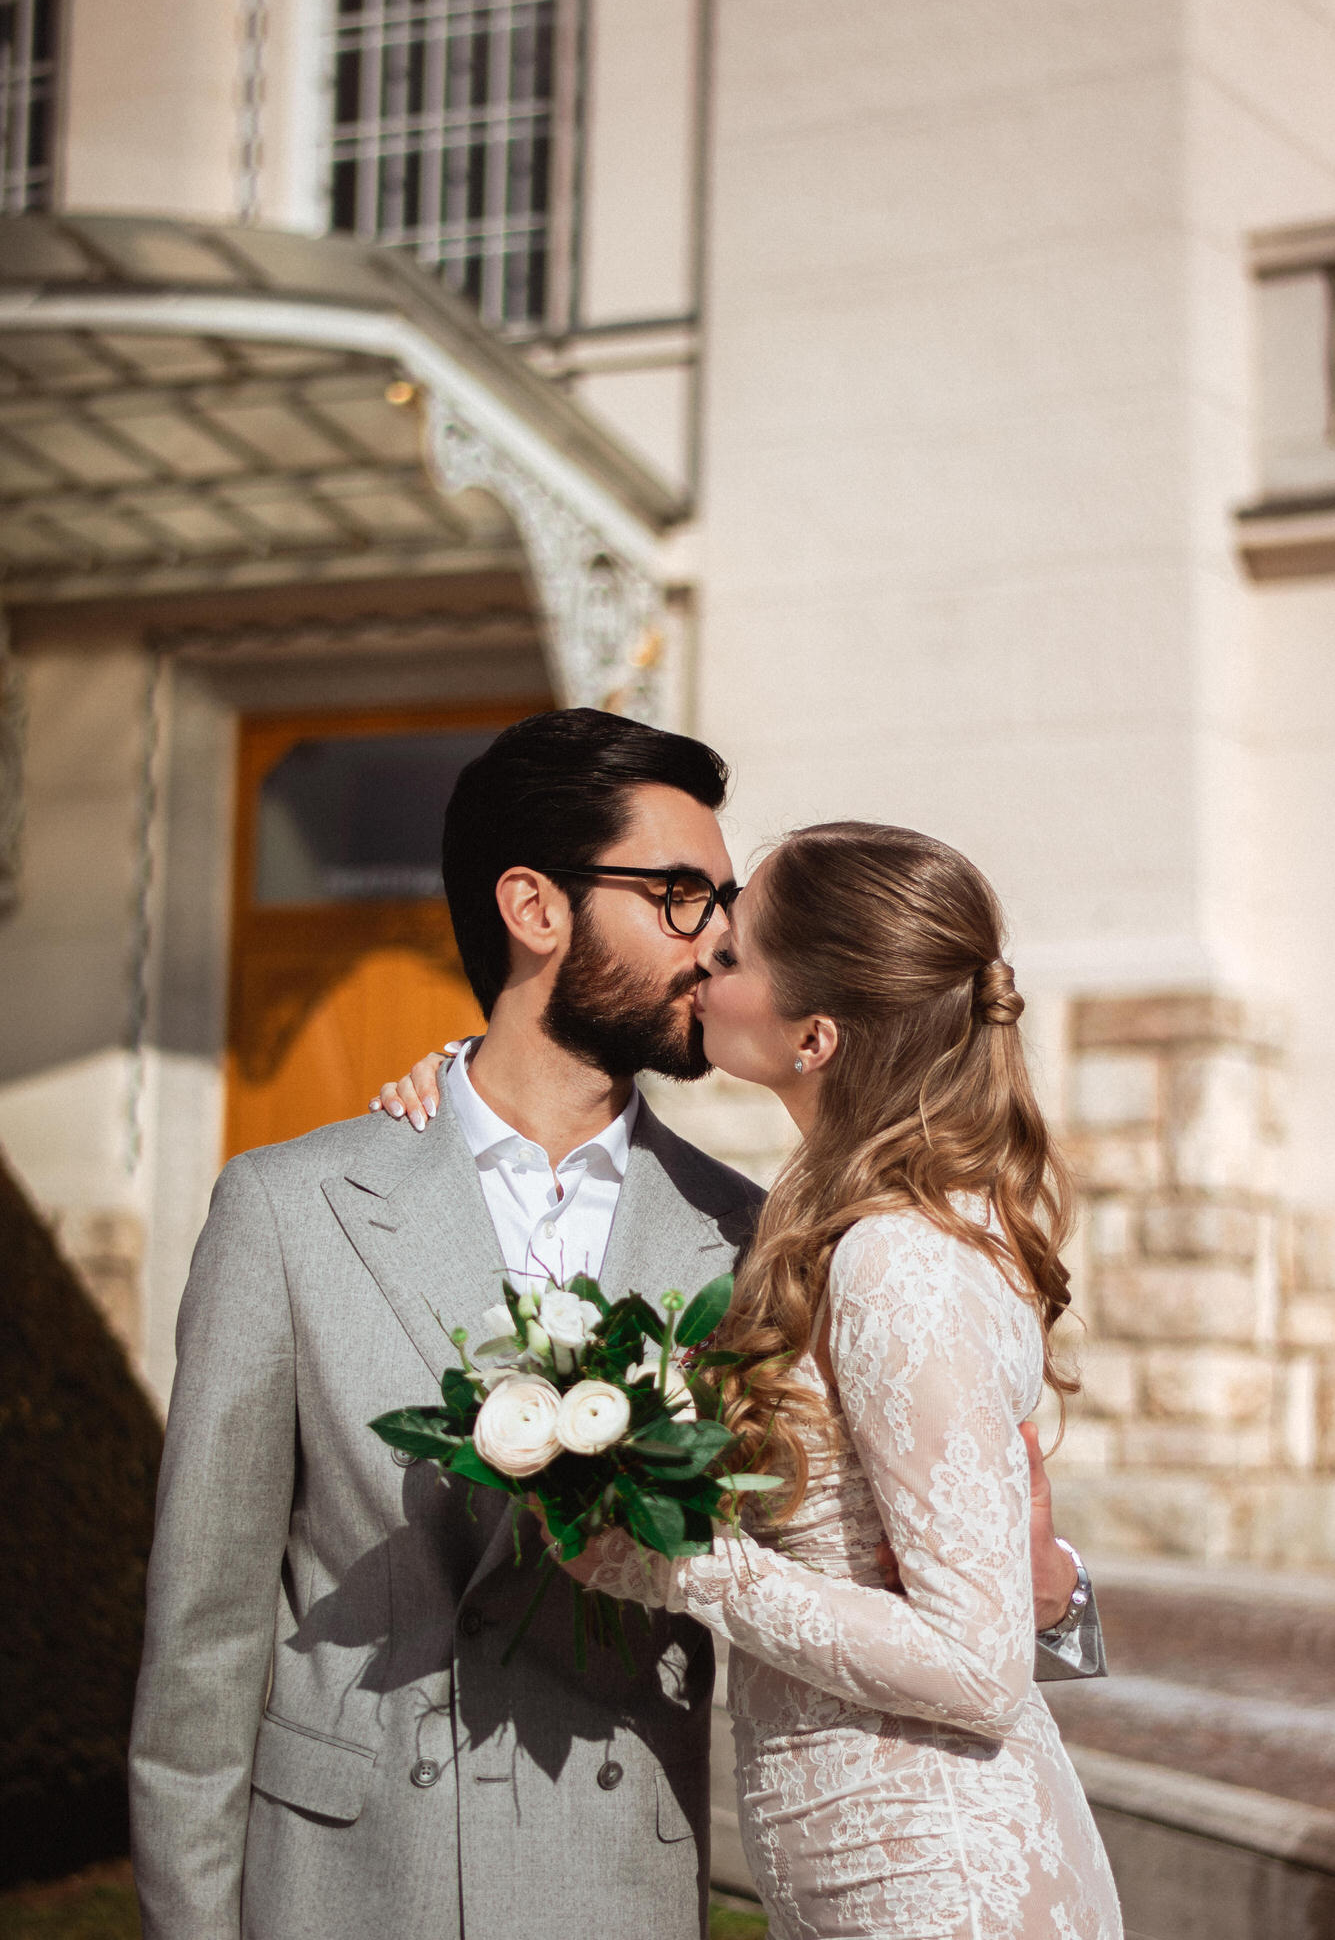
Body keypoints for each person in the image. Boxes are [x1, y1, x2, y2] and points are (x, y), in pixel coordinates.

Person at [130, 710, 1098, 1940]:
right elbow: (201, 1651)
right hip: (350, 1881)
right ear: (536, 909)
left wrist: (1053, 1594)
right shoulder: (290, 1207)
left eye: (725, 905)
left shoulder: (769, 1249)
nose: (715, 943)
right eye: (679, 895)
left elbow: (899, 1580)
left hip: (618, 1880)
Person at [548, 822, 1123, 1937]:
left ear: (814, 1035)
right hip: (869, 1856)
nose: (703, 959)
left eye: (733, 952)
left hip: (938, 1876)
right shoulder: (840, 1217)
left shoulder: (894, 1254)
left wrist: (687, 1568)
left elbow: (979, 1662)